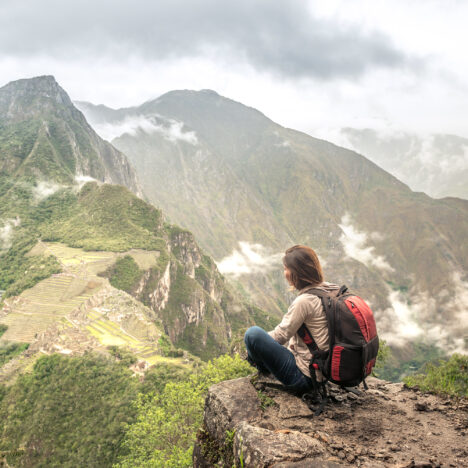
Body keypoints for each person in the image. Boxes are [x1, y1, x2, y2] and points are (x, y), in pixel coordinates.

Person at [244, 244, 339, 394]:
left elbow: (280, 336)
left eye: (286, 269)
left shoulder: (304, 301)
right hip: (325, 371)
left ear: (296, 273)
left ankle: (262, 369)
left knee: (252, 334)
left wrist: (254, 350)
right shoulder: (332, 290)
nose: (284, 272)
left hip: (304, 377)